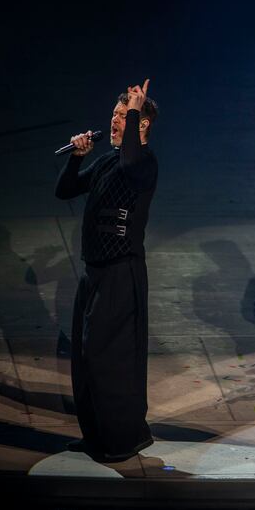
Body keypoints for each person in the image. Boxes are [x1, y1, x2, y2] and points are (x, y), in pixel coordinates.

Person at [55, 79, 159, 462]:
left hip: (120, 273)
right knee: (85, 357)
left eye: (124, 117)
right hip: (93, 274)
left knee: (109, 357)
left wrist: (135, 108)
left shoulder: (144, 163)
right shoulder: (106, 162)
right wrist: (77, 156)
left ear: (141, 125)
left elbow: (132, 160)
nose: (115, 121)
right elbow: (64, 191)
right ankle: (97, 435)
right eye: (114, 115)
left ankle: (123, 439)